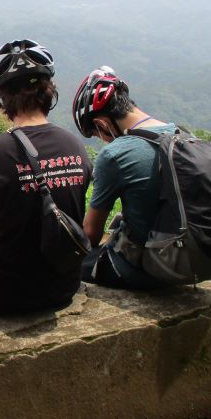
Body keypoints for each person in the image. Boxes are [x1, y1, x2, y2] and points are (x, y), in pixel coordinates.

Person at [0, 39, 92, 313]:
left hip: (1, 290)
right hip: (62, 287)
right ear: (49, 92)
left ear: (1, 98)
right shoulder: (74, 146)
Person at [72, 66, 177, 289]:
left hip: (151, 267)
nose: (104, 141)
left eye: (97, 134)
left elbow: (90, 235)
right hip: (193, 255)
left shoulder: (115, 153)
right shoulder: (180, 134)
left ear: (101, 124)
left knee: (72, 268)